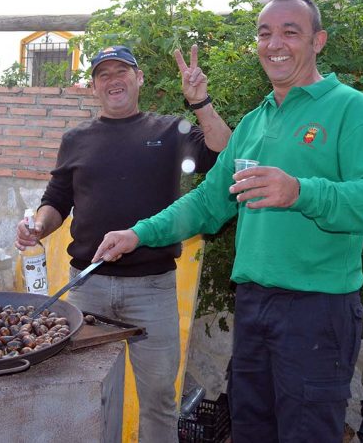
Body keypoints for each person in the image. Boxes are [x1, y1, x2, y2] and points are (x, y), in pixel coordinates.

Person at [93, 0, 363, 442]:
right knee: (251, 429)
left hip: (317, 309)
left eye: (290, 32)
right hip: (255, 304)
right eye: (264, 33)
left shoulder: (348, 108)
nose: (274, 43)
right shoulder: (255, 122)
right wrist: (138, 234)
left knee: (306, 433)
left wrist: (300, 191)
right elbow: (207, 203)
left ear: (318, 41)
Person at [15, 45, 231, 442]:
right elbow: (56, 201)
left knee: (159, 401)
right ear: (94, 86)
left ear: (139, 78)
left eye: (122, 72)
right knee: (83, 394)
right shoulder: (76, 139)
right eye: (103, 75)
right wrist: (37, 226)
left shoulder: (169, 131)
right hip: (87, 289)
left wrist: (199, 100)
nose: (113, 80)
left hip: (152, 290)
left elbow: (221, 151)